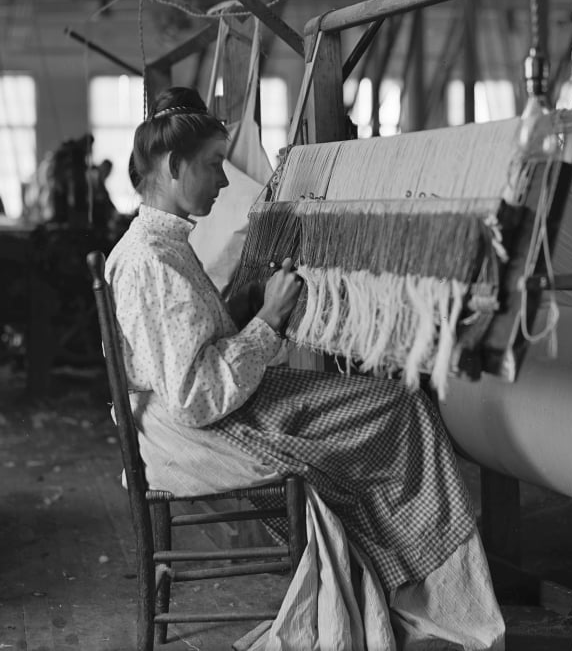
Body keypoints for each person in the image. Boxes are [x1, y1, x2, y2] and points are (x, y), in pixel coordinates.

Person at [106, 87, 504, 649]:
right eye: (214, 165)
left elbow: (186, 344)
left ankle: (412, 583)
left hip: (205, 414)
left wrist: (241, 309)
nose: (224, 182)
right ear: (173, 167)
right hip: (211, 428)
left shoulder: (155, 245)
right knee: (404, 409)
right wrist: (267, 321)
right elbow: (195, 395)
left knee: (379, 408)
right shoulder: (153, 261)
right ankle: (438, 599)